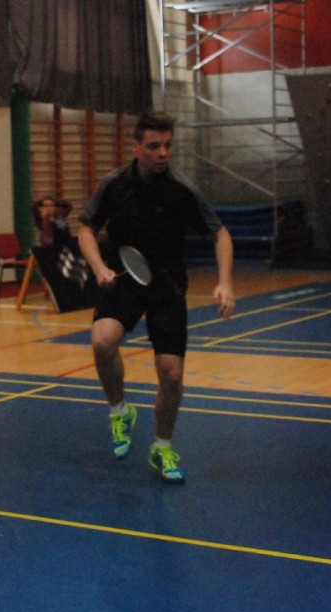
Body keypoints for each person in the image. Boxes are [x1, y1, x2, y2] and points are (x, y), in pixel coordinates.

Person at [77, 110, 236, 483]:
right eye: (153, 146)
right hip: (124, 277)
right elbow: (86, 229)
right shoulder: (115, 184)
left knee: (172, 375)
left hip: (166, 285)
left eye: (167, 146)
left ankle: (161, 447)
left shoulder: (182, 189)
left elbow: (220, 233)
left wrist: (225, 282)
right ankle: (120, 410)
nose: (162, 153)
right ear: (136, 147)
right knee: (102, 341)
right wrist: (99, 267)